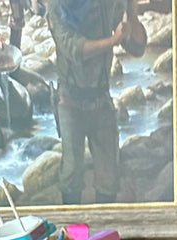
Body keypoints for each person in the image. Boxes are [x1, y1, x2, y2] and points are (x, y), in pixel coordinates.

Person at [47, 0, 145, 206]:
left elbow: (137, 47)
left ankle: (104, 231)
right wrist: (112, 41)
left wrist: (131, 13)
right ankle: (73, 235)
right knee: (71, 173)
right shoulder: (57, 5)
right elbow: (73, 49)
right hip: (70, 100)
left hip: (101, 99)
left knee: (109, 177)